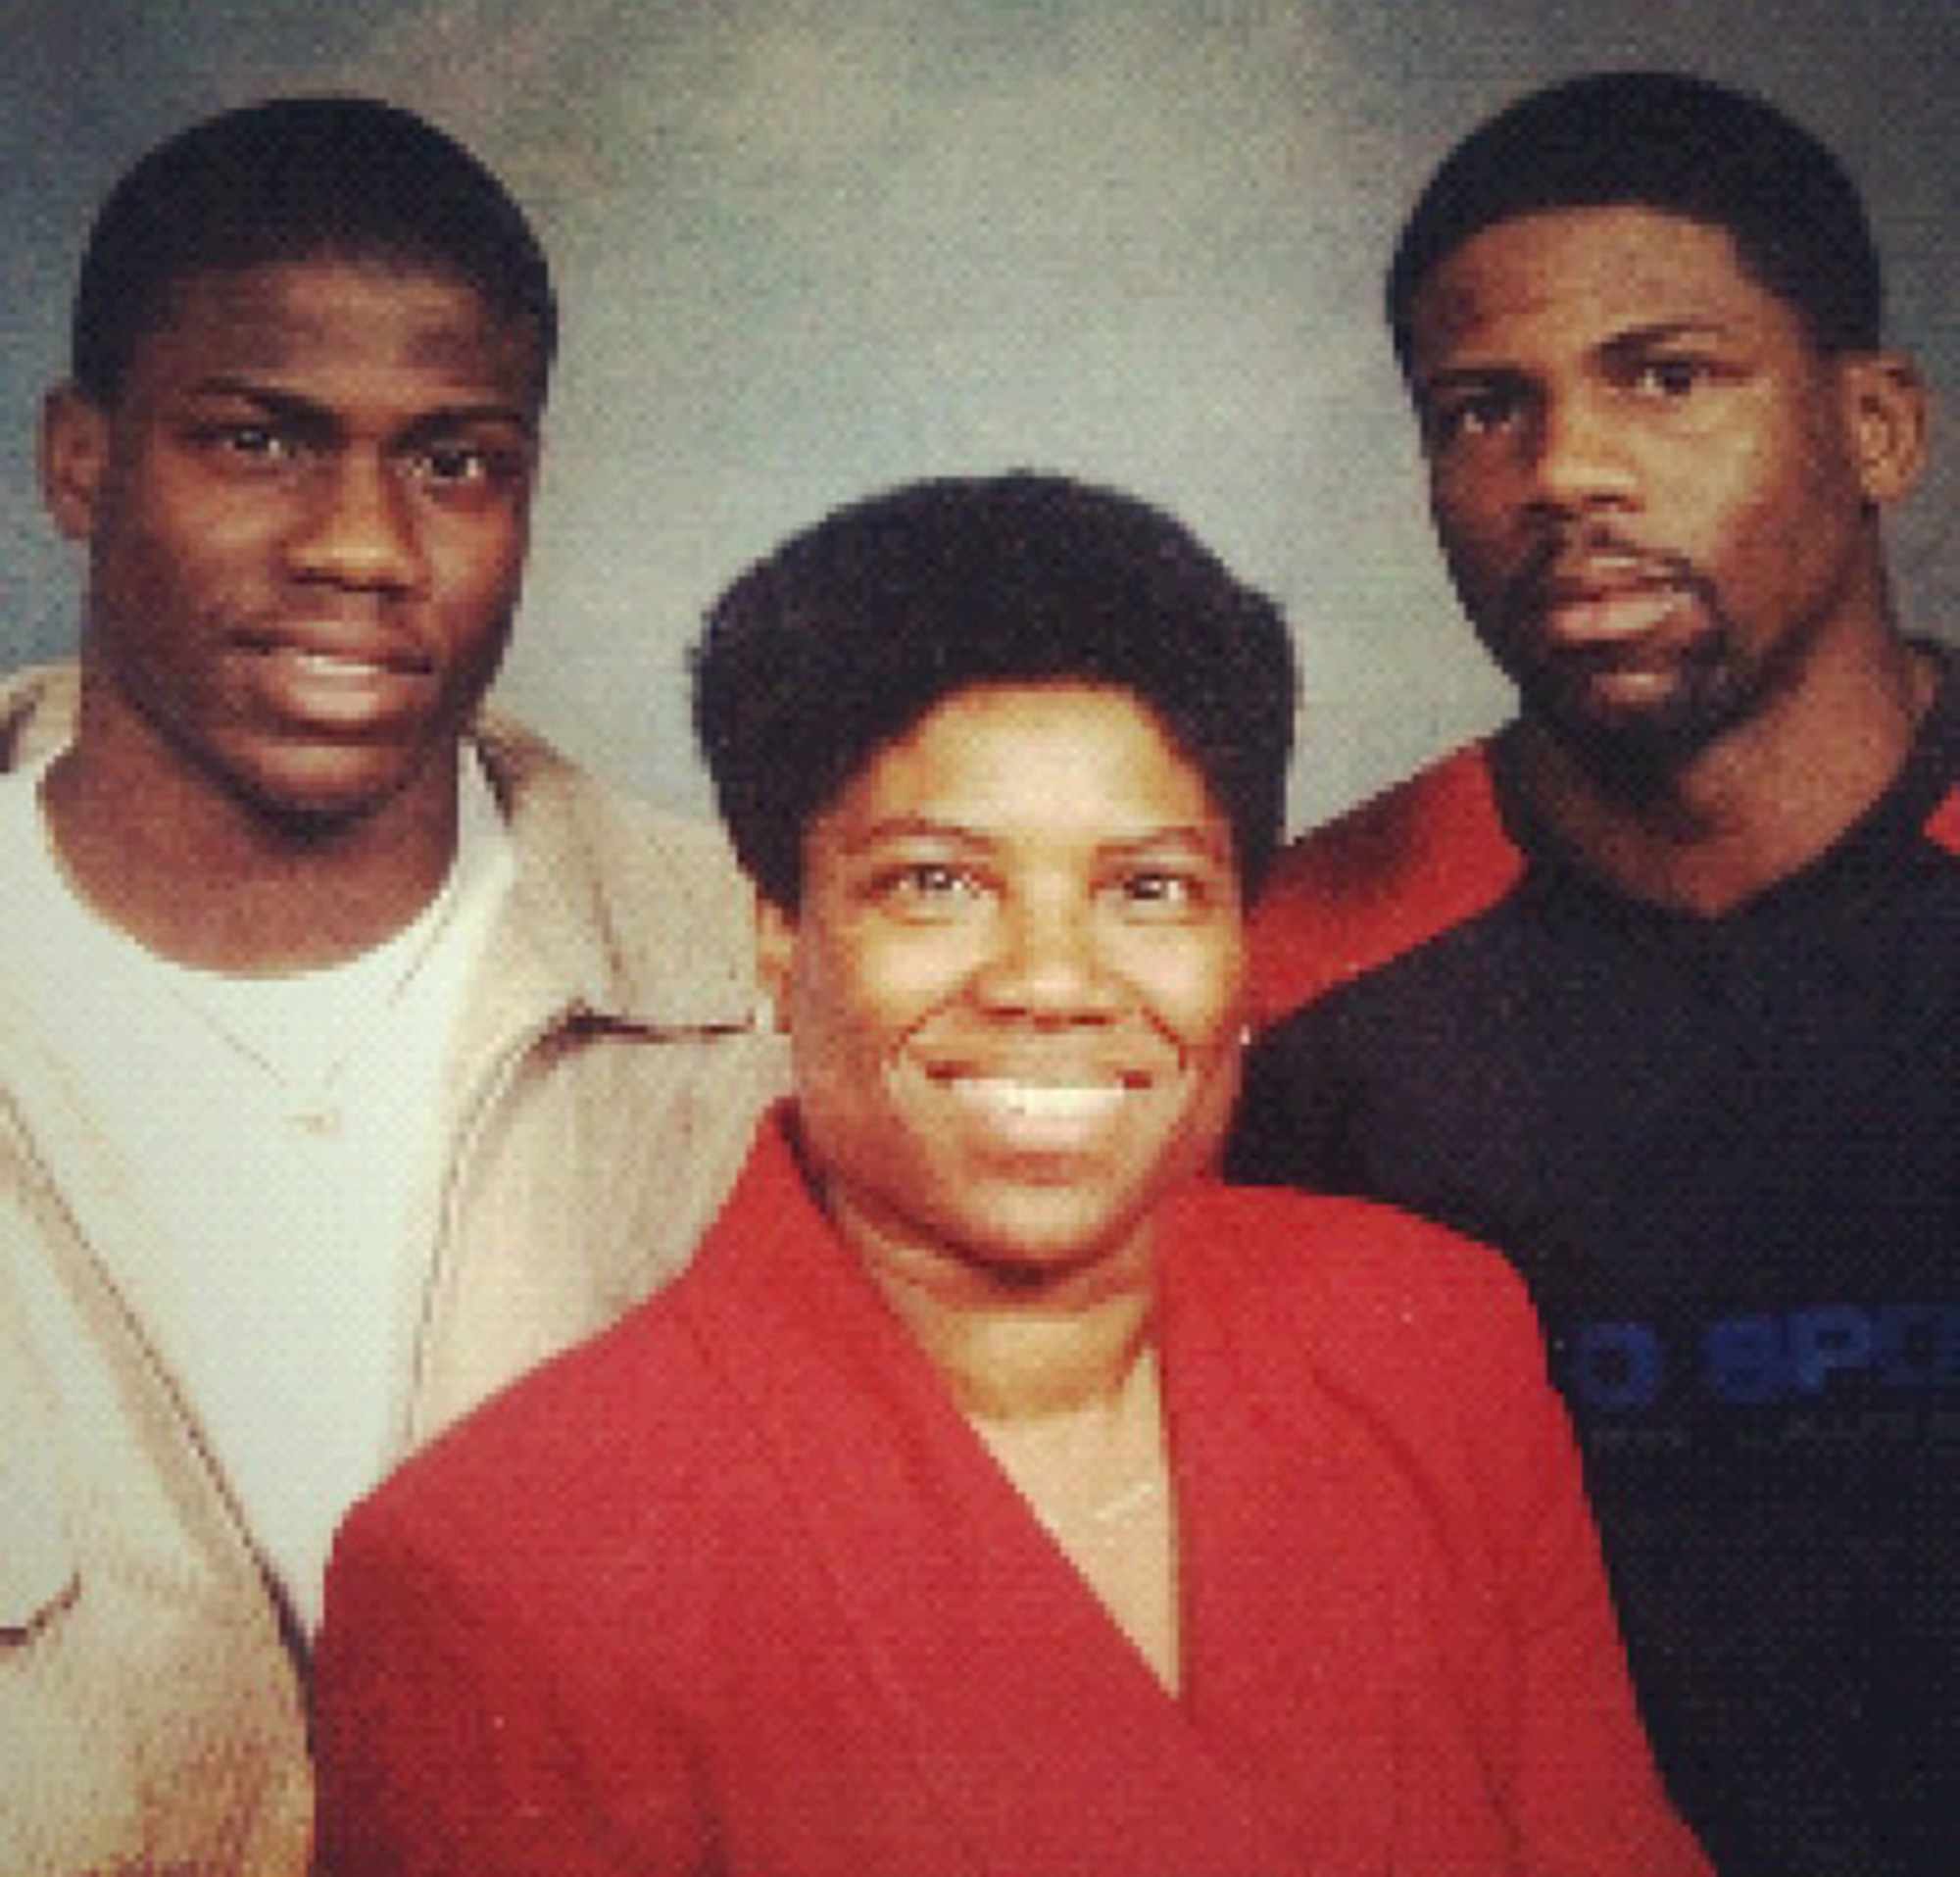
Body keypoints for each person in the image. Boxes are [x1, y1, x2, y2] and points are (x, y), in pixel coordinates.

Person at [312, 470, 1706, 1875]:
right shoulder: (504, 1568)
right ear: (782, 937)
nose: (1054, 981)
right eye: (938, 883)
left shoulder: (1431, 1337)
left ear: (1240, 944)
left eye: (1149, 888)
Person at [0, 98, 779, 1873]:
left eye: (454, 463)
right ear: (80, 461)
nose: (362, 544)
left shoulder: (763, 999)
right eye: (259, 441)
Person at [1227, 71, 1955, 1876]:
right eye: (1485, 410)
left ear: (1876, 427)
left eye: (1669, 376)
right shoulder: (1289, 983)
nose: (1566, 473)